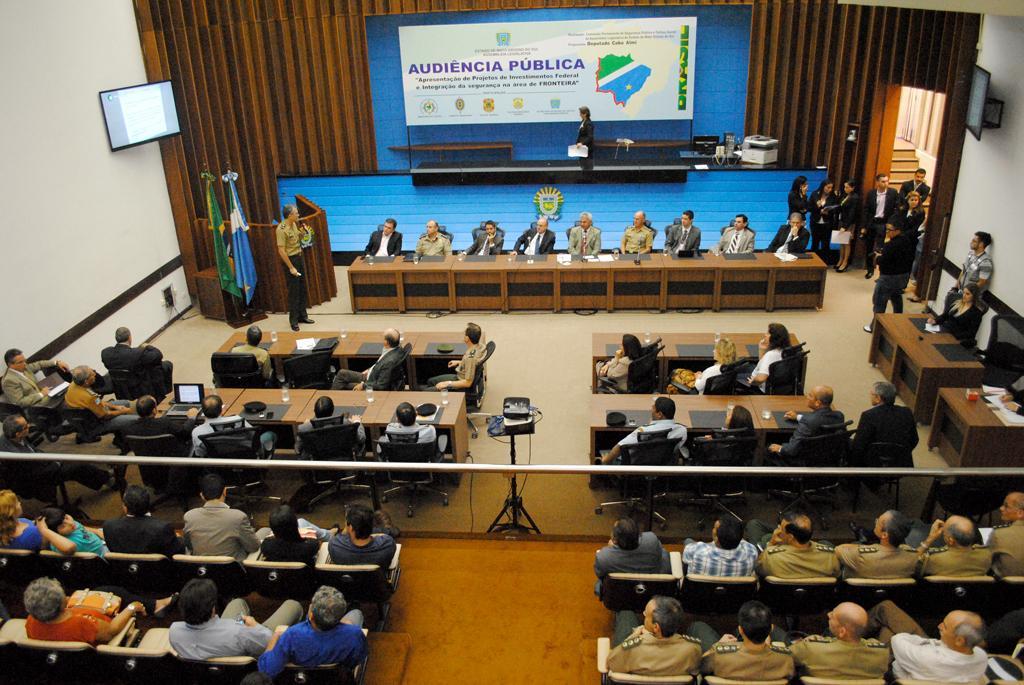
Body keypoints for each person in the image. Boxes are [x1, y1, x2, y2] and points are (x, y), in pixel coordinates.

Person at [169, 578, 304, 660]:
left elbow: (229, 627)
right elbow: (270, 643)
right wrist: (256, 626)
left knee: (236, 603)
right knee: (292, 605)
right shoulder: (240, 632)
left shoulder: (174, 631)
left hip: (228, 630)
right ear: (212, 608)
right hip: (248, 635)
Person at [24, 576, 175, 645]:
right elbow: (112, 630)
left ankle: (154, 604)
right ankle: (154, 605)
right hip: (106, 635)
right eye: (64, 595)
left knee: (105, 589)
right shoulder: (82, 624)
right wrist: (132, 607)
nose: (68, 596)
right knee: (121, 596)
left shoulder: (31, 621)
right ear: (61, 605)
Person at [257, 585, 368, 677]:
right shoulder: (354, 634)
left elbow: (267, 670)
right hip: (336, 678)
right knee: (356, 613)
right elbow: (357, 659)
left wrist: (275, 637)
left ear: (310, 614)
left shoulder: (291, 635)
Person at [0, 414, 114, 499]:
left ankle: (105, 476)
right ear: (18, 434)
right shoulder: (17, 456)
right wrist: (57, 463)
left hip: (41, 464)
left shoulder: (10, 437)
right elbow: (35, 471)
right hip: (34, 479)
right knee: (78, 467)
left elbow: (33, 451)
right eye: (26, 426)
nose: (29, 426)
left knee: (72, 461)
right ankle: (109, 480)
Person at [871, 601, 988, 683]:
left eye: (945, 626)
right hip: (925, 659)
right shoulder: (981, 656)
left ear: (959, 640)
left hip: (893, 670)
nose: (939, 626)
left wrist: (923, 641)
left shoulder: (926, 658)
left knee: (885, 610)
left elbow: (897, 640)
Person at [691, 600, 795, 680]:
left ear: (741, 630)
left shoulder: (718, 655)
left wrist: (718, 645)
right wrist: (770, 648)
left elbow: (699, 667)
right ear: (771, 630)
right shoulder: (786, 659)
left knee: (698, 626)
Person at [607, 596, 702, 677]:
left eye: (645, 614)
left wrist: (633, 636)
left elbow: (611, 664)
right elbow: (696, 670)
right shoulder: (693, 649)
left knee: (626, 614)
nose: (643, 615)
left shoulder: (631, 650)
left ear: (656, 627)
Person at [790, 603, 890, 679]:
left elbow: (785, 657)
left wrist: (800, 643)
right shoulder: (881, 653)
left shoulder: (811, 649)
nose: (828, 614)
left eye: (832, 616)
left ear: (842, 631)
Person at [123, 394, 197, 497]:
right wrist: (192, 418)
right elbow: (185, 431)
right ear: (154, 410)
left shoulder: (129, 428)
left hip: (150, 469)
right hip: (175, 466)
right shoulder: (164, 423)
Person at [183, 473, 265, 562]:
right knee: (264, 531)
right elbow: (253, 547)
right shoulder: (238, 517)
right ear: (225, 491)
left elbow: (189, 545)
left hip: (203, 569)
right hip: (233, 571)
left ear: (202, 495)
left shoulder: (189, 516)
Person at [597, 397, 688, 465]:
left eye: (653, 408)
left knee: (606, 455)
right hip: (662, 465)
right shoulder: (682, 431)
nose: (651, 410)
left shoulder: (643, 431)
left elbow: (619, 447)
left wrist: (605, 460)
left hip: (636, 466)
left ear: (660, 414)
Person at [766, 386, 845, 463]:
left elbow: (791, 450)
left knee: (767, 448)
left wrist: (780, 448)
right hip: (829, 458)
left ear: (817, 403)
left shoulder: (807, 422)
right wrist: (797, 417)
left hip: (806, 461)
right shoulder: (839, 416)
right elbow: (820, 420)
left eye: (810, 395)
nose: (807, 397)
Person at [848, 381, 918, 468]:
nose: (870, 396)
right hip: (900, 463)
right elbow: (914, 439)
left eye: (872, 394)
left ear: (878, 398)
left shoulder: (869, 416)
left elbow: (859, 445)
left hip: (872, 464)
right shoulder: (906, 412)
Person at [594, 518, 671, 594]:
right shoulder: (651, 539)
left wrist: (611, 549)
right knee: (662, 552)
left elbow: (600, 575)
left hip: (620, 594)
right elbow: (661, 553)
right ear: (638, 534)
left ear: (614, 540)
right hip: (653, 589)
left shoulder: (603, 557)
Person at [752, 511, 840, 578]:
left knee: (759, 532)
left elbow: (759, 570)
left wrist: (771, 544)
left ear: (790, 537)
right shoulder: (830, 556)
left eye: (781, 528)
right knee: (825, 542)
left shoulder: (771, 557)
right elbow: (836, 575)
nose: (778, 530)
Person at [102, 485, 184, 556]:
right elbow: (177, 552)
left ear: (125, 508)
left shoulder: (109, 527)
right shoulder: (162, 528)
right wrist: (179, 538)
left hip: (123, 571)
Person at [863, 220, 914, 332]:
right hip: (903, 277)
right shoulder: (906, 241)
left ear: (898, 230)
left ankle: (874, 327)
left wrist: (877, 257)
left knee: (879, 302)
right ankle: (898, 320)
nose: (887, 232)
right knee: (896, 297)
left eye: (890, 230)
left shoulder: (890, 245)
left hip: (888, 278)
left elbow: (882, 261)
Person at [835, 509, 918, 578]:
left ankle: (862, 535)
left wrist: (860, 546)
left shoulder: (860, 555)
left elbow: (838, 550)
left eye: (878, 521)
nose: (876, 521)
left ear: (884, 535)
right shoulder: (912, 558)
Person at [63, 365, 140, 440]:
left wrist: (115, 407)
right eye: (92, 374)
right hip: (99, 423)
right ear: (86, 381)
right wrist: (123, 411)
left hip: (88, 414)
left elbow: (98, 402)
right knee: (136, 419)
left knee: (124, 403)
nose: (95, 373)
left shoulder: (74, 384)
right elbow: (105, 415)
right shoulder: (90, 397)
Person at [191, 394, 276, 458]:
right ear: (222, 408)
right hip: (246, 458)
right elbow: (254, 437)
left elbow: (200, 454)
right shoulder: (237, 420)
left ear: (202, 410)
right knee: (270, 435)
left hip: (219, 469)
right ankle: (264, 461)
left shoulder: (197, 432)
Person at [100, 326, 173, 397]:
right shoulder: (136, 353)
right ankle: (161, 393)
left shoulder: (105, 353)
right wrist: (148, 346)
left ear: (116, 338)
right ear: (129, 338)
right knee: (166, 365)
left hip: (121, 388)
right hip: (139, 387)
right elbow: (158, 355)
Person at [276, 203, 314, 331]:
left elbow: (297, 237)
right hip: (291, 261)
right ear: (290, 215)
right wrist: (291, 267)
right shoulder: (281, 229)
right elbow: (281, 250)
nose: (298, 215)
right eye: (296, 213)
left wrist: (303, 233)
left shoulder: (293, 224)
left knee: (302, 288)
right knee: (294, 292)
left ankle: (302, 315)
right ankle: (293, 320)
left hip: (299, 257)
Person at [916, 515, 993, 576]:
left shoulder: (933, 559)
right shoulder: (985, 557)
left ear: (951, 541)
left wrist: (930, 538)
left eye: (944, 532)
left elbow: (909, 564)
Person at [0, 490, 75, 552]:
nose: (20, 503)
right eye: (17, 503)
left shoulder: (16, 522)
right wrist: (44, 530)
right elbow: (70, 548)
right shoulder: (33, 534)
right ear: (12, 511)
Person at [681, 517, 758, 577]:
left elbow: (685, 559)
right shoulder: (751, 551)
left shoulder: (697, 550)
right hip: (737, 596)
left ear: (716, 538)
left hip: (700, 596)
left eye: (714, 528)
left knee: (688, 541)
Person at [331, 328, 404, 391]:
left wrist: (363, 385)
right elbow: (380, 363)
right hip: (371, 373)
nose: (381, 339)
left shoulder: (389, 362)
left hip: (371, 381)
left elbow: (381, 385)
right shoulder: (396, 348)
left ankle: (331, 398)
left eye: (383, 338)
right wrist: (369, 369)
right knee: (342, 374)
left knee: (341, 381)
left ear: (386, 342)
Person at [327, 503, 397, 568]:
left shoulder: (334, 545)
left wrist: (346, 529)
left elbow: (340, 537)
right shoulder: (388, 544)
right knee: (386, 524)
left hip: (347, 580)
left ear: (350, 527)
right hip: (376, 580)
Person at [295, 395, 366, 456]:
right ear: (333, 410)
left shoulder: (304, 428)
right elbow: (361, 438)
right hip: (343, 461)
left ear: (315, 412)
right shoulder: (345, 423)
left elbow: (298, 449)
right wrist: (357, 421)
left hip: (317, 464)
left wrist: (307, 424)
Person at [260, 505, 333, 565]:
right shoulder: (311, 545)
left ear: (272, 529)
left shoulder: (266, 546)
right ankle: (331, 533)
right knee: (302, 522)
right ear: (296, 525)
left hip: (279, 579)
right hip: (305, 579)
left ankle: (330, 532)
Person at [943, 231, 994, 312]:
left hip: (970, 297)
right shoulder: (971, 254)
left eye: (974, 241)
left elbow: (982, 282)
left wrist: (967, 293)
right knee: (949, 310)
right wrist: (955, 287)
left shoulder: (985, 262)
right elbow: (963, 271)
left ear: (981, 244)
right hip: (960, 291)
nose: (971, 242)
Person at [426, 323, 485, 391]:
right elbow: (473, 364)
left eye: (464, 334)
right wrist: (460, 362)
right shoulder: (480, 346)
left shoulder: (470, 358)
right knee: (430, 381)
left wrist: (447, 383)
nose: (463, 335)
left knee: (429, 388)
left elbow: (467, 383)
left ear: (467, 338)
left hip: (459, 381)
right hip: (462, 373)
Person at [860, 173, 899, 278]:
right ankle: (870, 269)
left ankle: (881, 271)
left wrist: (890, 223)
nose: (885, 183)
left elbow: (896, 209)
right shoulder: (871, 193)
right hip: (872, 222)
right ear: (877, 182)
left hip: (884, 223)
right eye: (883, 181)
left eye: (887, 181)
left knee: (881, 248)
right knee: (869, 246)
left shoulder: (893, 193)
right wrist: (864, 226)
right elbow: (866, 210)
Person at [1, 348, 69, 407]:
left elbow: (39, 364)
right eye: (20, 362)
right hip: (37, 405)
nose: (24, 364)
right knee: (70, 401)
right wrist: (41, 394)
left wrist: (57, 362)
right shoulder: (9, 381)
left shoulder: (24, 367)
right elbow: (19, 402)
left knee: (69, 389)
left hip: (46, 393)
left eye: (24, 360)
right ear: (10, 365)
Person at [929, 281, 984, 346]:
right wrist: (935, 320)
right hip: (944, 330)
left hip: (956, 338)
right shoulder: (957, 303)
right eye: (963, 293)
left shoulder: (976, 313)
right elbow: (945, 315)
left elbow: (971, 333)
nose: (964, 296)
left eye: (967, 294)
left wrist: (952, 336)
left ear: (974, 296)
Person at [40, 506, 108, 556]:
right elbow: (69, 548)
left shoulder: (71, 525)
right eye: (63, 526)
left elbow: (82, 528)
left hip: (102, 542)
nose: (71, 523)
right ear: (54, 533)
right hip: (104, 555)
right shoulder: (60, 544)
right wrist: (44, 530)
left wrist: (98, 532)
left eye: (66, 517)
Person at [745, 322, 789, 392]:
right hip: (774, 387)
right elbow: (764, 366)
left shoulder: (770, 355)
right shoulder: (784, 351)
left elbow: (761, 379)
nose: (765, 335)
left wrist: (752, 382)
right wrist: (761, 350)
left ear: (774, 337)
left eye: (768, 333)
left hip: (757, 387)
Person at [990, 491, 1024, 577]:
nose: (1001, 508)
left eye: (1006, 506)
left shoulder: (999, 534)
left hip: (1007, 588)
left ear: (1020, 513)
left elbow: (985, 562)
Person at [808, 179, 838, 261]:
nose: (830, 190)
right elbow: (809, 208)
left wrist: (828, 212)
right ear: (823, 186)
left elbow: (836, 209)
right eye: (828, 187)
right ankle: (813, 261)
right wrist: (818, 209)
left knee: (825, 244)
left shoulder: (833, 197)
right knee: (815, 242)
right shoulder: (815, 194)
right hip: (815, 222)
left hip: (827, 223)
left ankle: (824, 262)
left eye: (831, 188)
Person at [834, 179, 860, 272]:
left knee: (846, 243)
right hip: (842, 221)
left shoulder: (855, 197)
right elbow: (840, 206)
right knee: (841, 242)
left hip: (848, 223)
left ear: (853, 188)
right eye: (845, 187)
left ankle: (845, 262)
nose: (845, 188)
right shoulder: (845, 196)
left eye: (847, 187)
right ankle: (840, 260)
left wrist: (845, 226)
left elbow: (852, 214)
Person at [575, 105, 594, 172]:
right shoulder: (583, 122)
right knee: (583, 165)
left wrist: (582, 143)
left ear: (585, 114)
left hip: (587, 149)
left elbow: (590, 137)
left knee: (587, 166)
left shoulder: (588, 124)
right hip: (582, 149)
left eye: (581, 113)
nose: (579, 114)